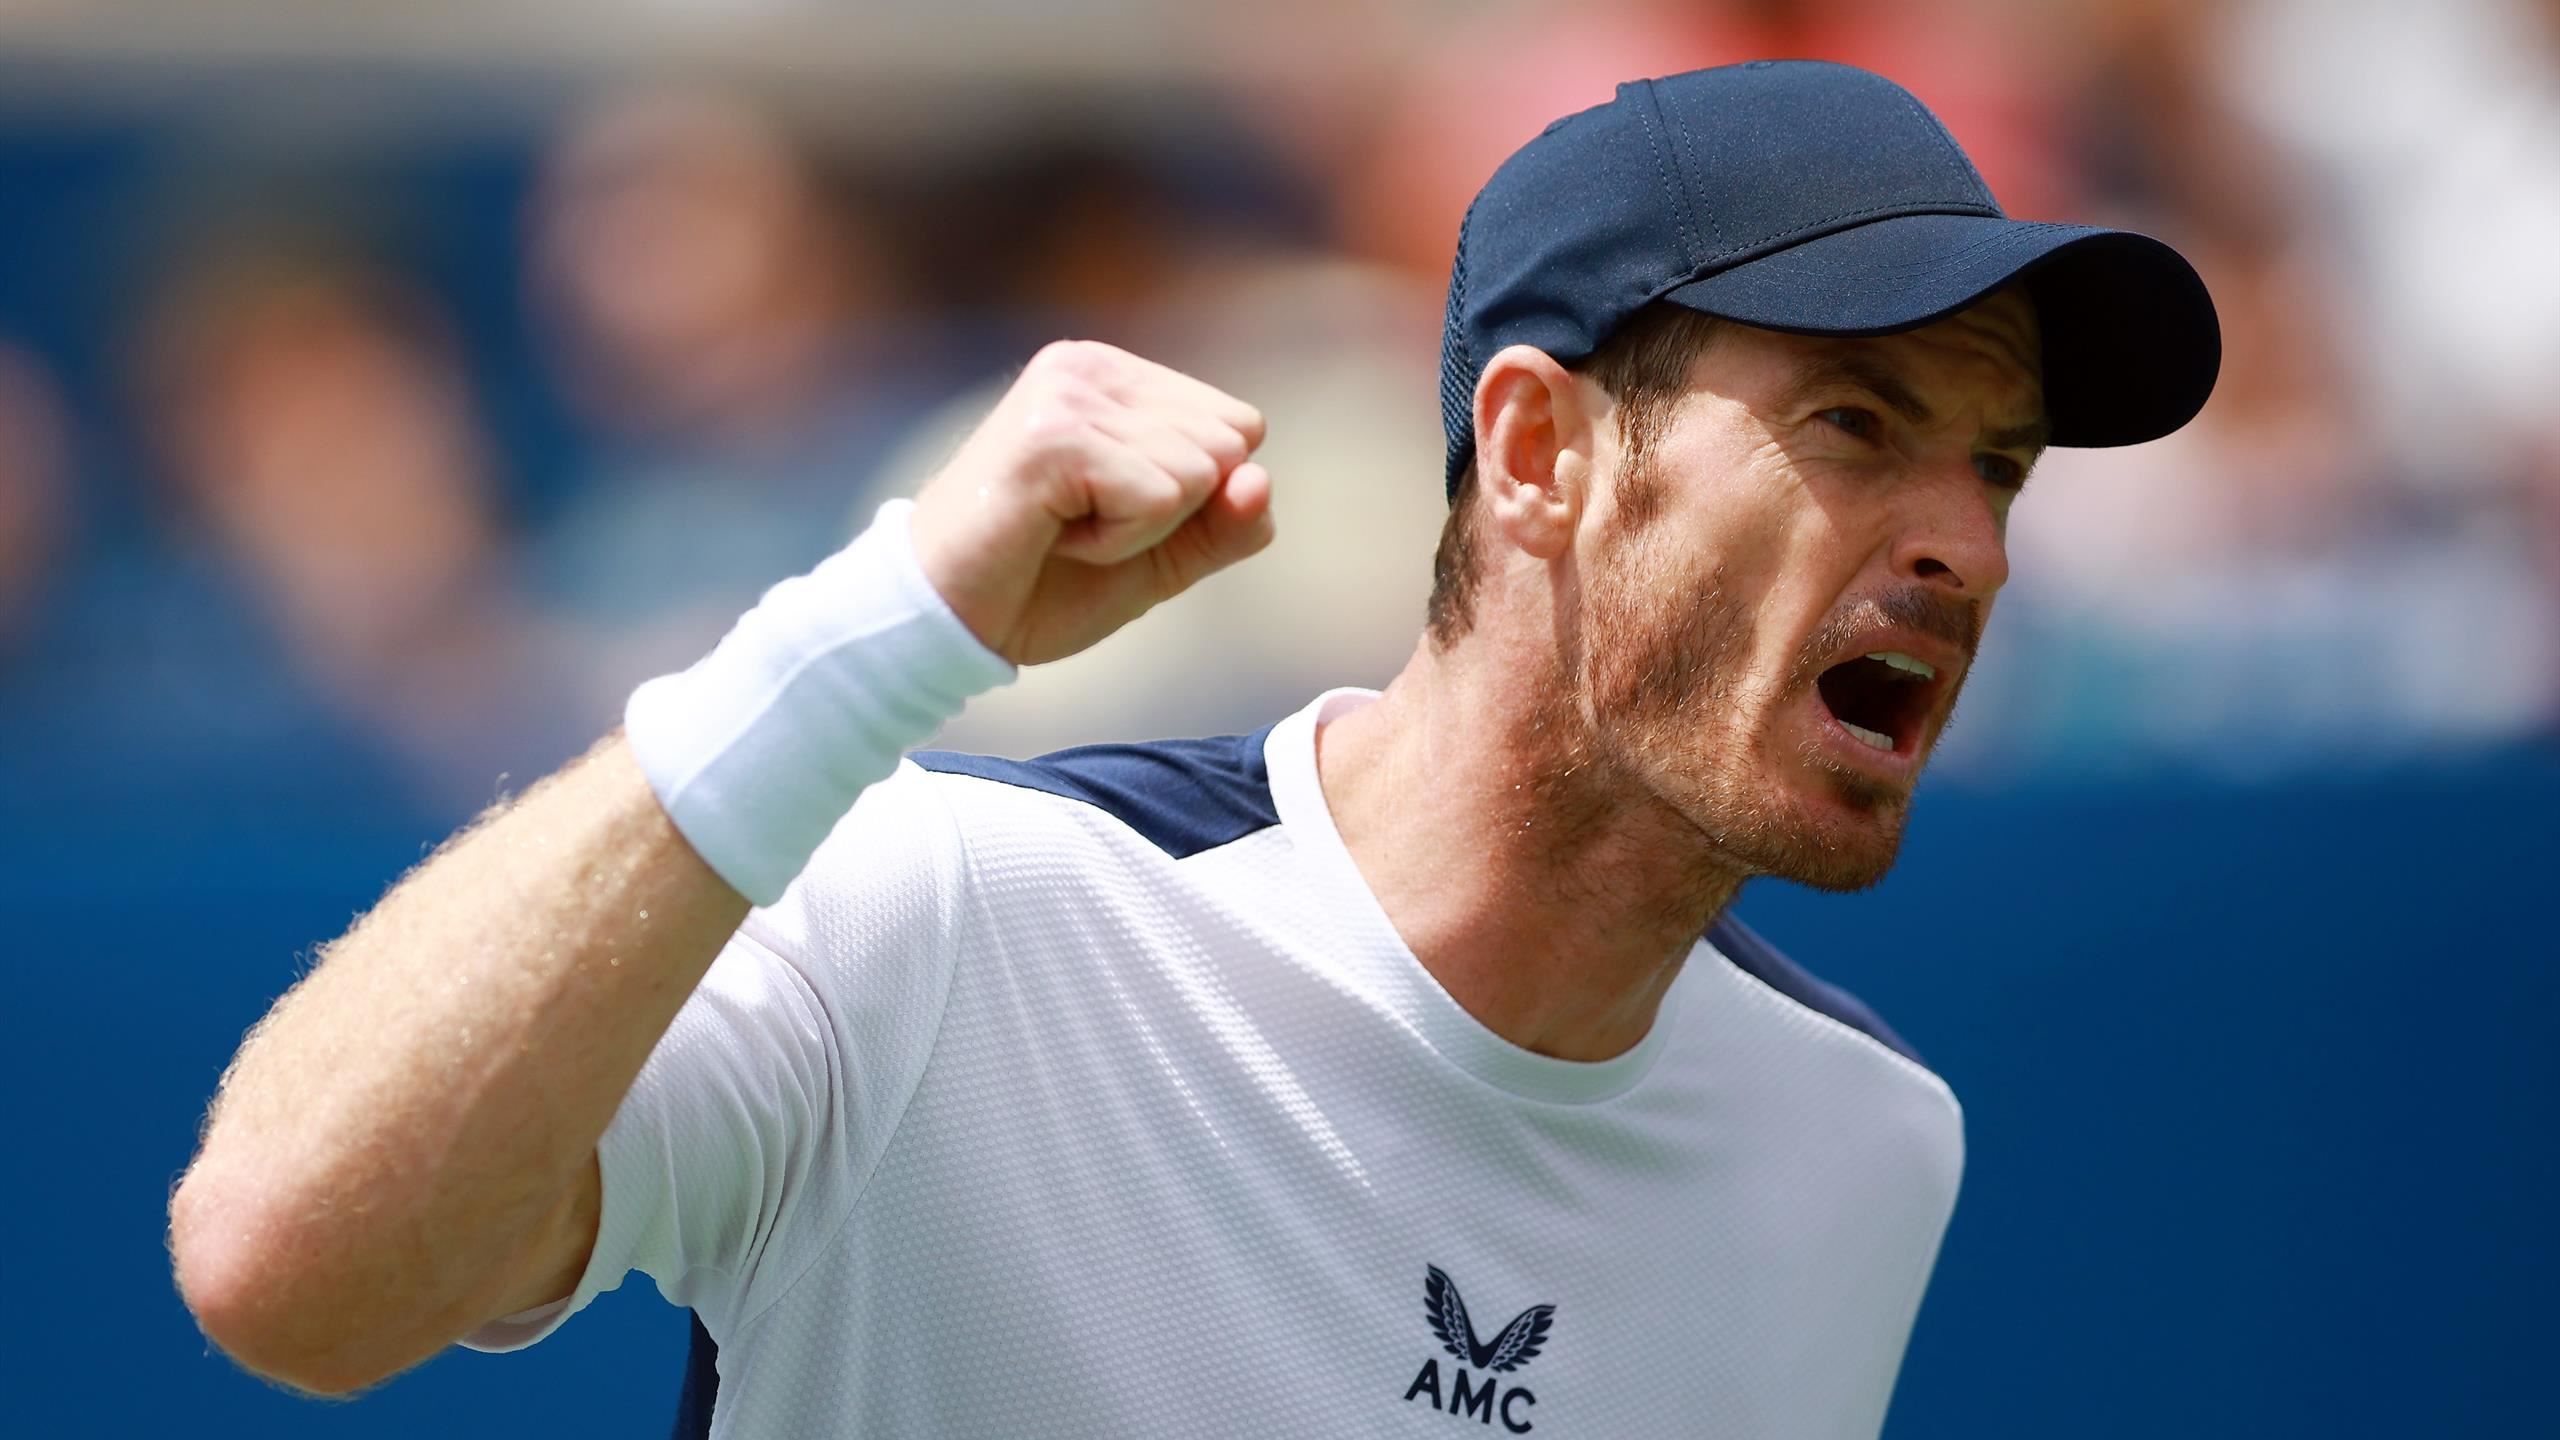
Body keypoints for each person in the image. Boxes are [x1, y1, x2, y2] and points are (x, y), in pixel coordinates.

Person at [168, 62, 2219, 1438]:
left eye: (1997, 465)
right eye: (1855, 425)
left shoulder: (1862, 1154)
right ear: (1534, 453)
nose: (1964, 544)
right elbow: (288, 1267)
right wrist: (870, 636)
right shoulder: (943, 913)